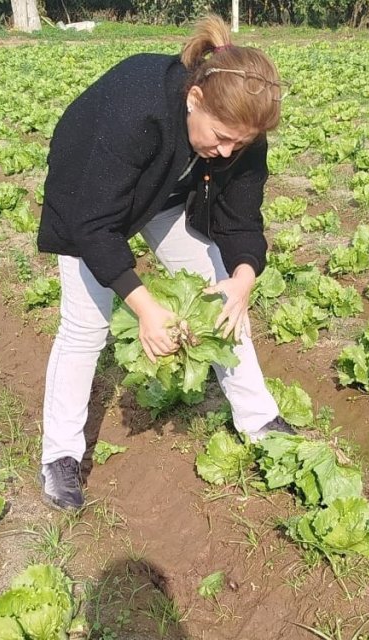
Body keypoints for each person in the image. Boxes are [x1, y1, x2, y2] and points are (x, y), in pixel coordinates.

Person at [35, 15, 295, 512]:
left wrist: (242, 279)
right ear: (194, 98)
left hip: (167, 191)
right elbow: (95, 225)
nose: (225, 152)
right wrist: (145, 307)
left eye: (237, 145)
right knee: (86, 326)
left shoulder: (241, 131)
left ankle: (260, 421)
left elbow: (242, 219)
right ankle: (60, 458)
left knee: (220, 298)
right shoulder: (136, 106)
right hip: (90, 191)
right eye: (219, 138)